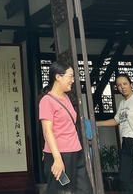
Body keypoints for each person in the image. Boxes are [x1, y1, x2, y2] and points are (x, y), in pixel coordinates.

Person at [96, 74, 133, 194]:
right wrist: (96, 123)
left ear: (131, 84)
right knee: (124, 177)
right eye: (119, 85)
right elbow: (116, 121)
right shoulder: (122, 103)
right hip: (126, 144)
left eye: (125, 84)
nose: (122, 87)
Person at [38, 61, 90, 194]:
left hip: (76, 151)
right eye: (70, 76)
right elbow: (47, 131)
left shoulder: (66, 97)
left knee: (85, 190)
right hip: (60, 154)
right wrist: (57, 158)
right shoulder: (46, 101)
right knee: (61, 191)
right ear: (58, 77)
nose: (73, 80)